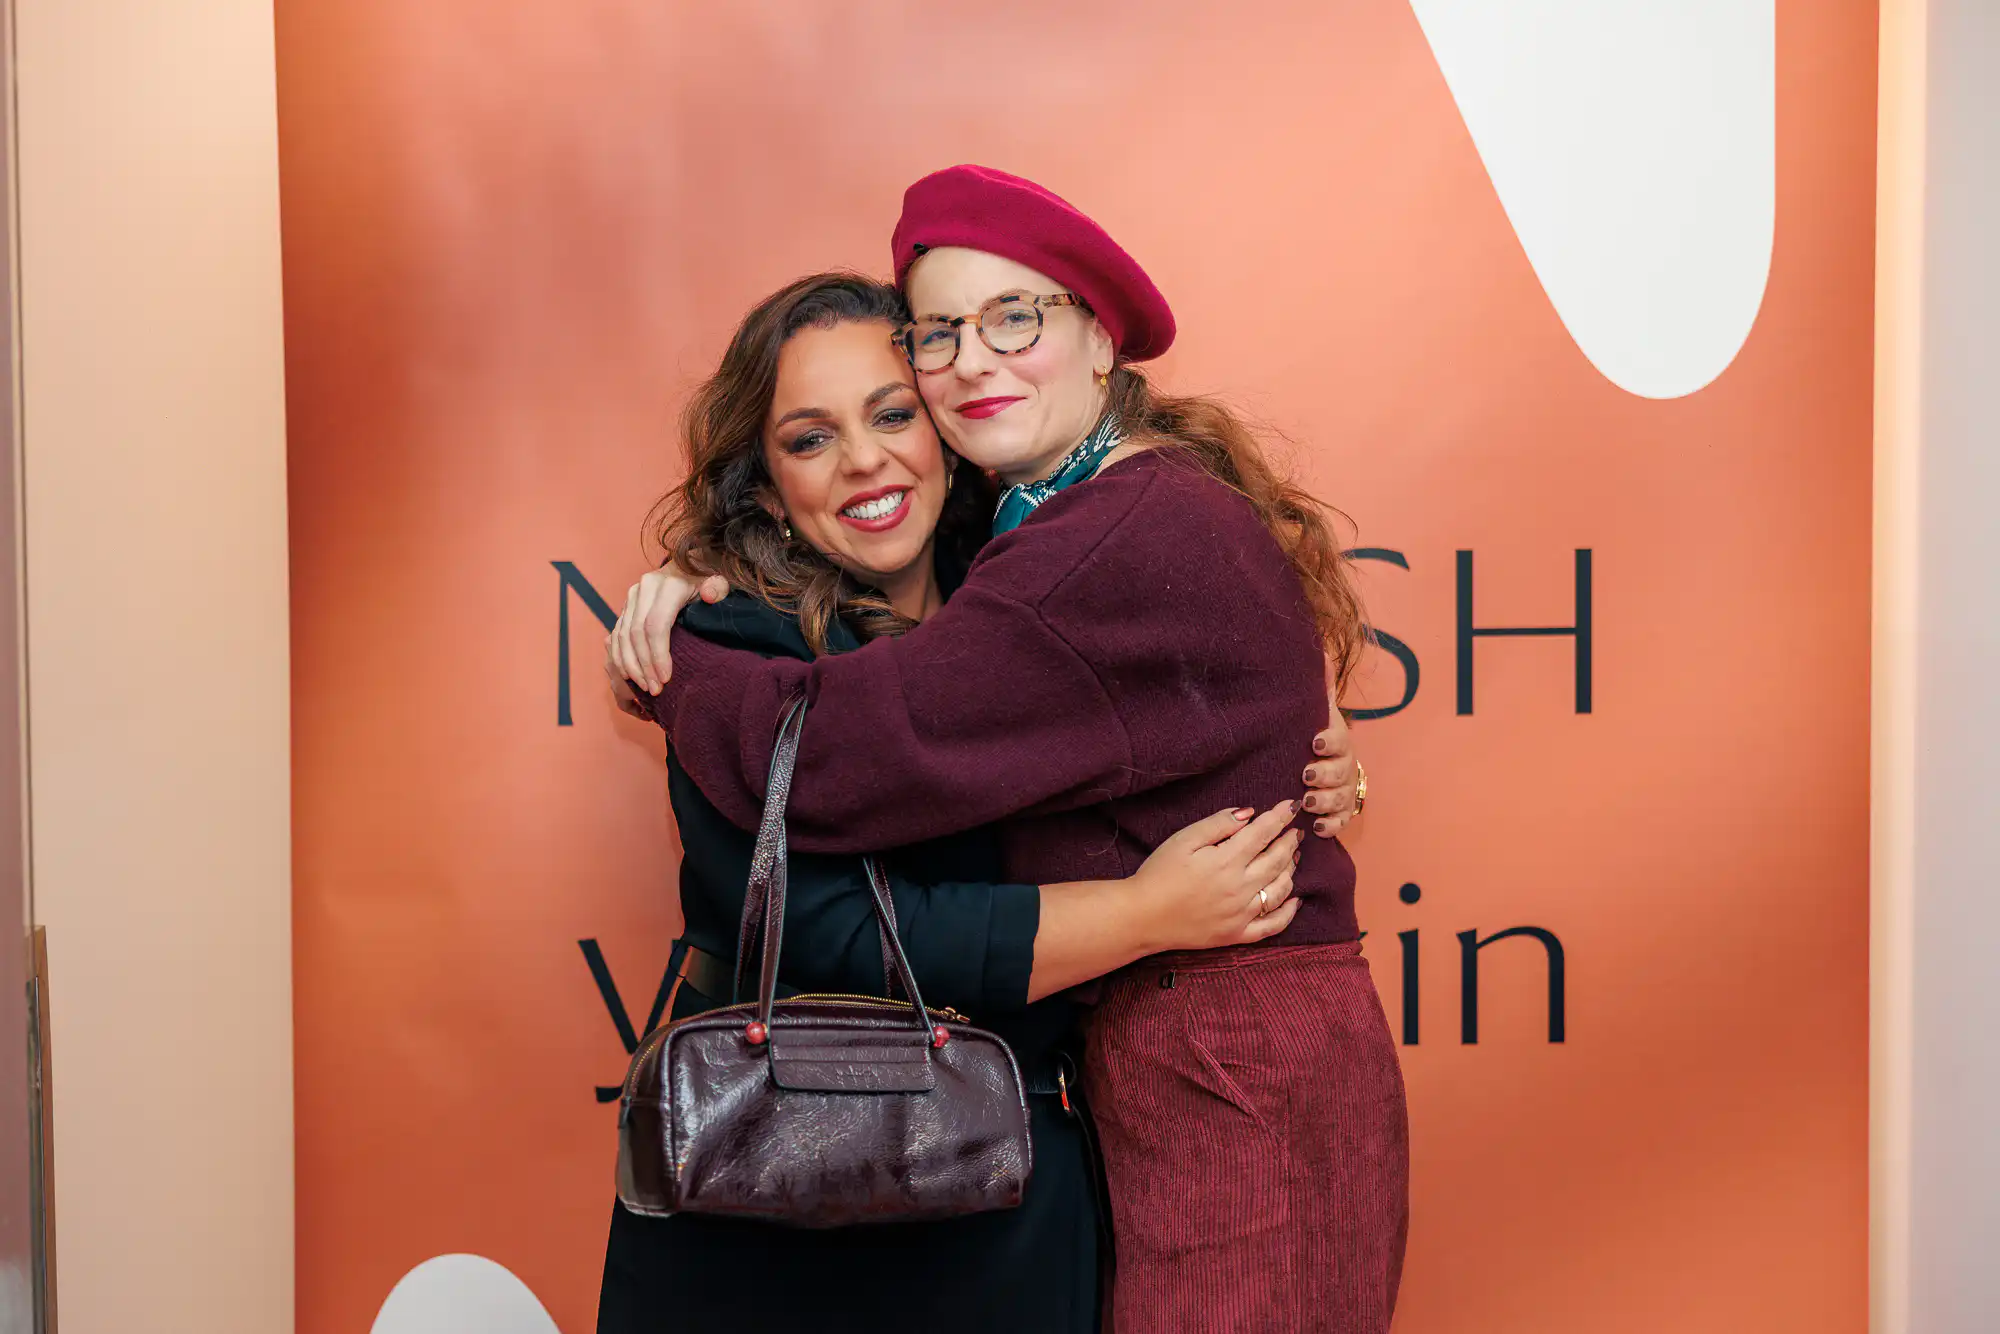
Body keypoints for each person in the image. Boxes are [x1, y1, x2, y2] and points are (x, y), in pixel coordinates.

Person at [613, 166, 1407, 1332]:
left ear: (1098, 339)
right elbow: (833, 926)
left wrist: (666, 673)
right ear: (767, 487)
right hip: (785, 1212)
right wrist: (692, 630)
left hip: (1124, 1121)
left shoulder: (1057, 554)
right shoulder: (805, 613)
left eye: (1012, 318)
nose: (867, 456)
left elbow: (830, 747)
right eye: (942, 335)